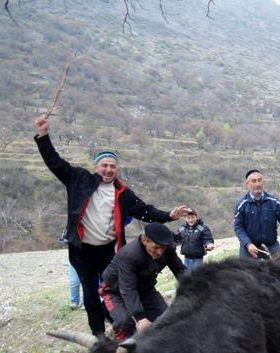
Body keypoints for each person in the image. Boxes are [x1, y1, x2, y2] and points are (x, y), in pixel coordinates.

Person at [34, 114, 188, 337]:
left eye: (112, 166)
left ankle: (121, 322)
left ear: (117, 169)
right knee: (89, 292)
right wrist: (43, 135)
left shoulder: (122, 193)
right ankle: (98, 334)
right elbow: (54, 162)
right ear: (96, 166)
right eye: (104, 165)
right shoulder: (79, 179)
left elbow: (145, 211)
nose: (108, 170)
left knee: (116, 287)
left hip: (109, 248)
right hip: (82, 249)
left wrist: (169, 215)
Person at [99, 222, 185, 341]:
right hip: (115, 291)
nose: (160, 252)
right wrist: (141, 318)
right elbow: (128, 289)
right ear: (145, 241)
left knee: (166, 321)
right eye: (156, 247)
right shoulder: (129, 255)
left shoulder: (168, 249)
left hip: (145, 289)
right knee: (124, 323)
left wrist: (194, 288)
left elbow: (180, 270)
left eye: (163, 248)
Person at [234, 169, 280, 259]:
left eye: (260, 180)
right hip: (250, 246)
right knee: (245, 271)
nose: (257, 184)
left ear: (263, 183)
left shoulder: (273, 201)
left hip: (271, 244)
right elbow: (238, 227)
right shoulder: (241, 204)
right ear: (247, 184)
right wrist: (248, 244)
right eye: (253, 181)